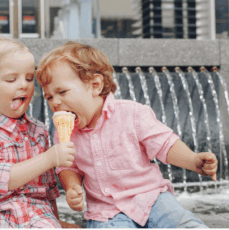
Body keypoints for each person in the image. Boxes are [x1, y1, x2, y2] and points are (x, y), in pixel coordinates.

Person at [36, 41, 218, 228]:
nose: (55, 102)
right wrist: (71, 187)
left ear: (95, 85)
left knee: (183, 223)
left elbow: (164, 144)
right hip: (106, 212)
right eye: (49, 97)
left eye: (62, 92)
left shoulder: (132, 114)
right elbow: (68, 168)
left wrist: (192, 160)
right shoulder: (64, 134)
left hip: (152, 199)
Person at [0, 37, 78, 228]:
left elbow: (47, 189)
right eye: (11, 79)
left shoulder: (39, 131)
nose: (23, 85)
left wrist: (56, 221)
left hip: (34, 213)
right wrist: (49, 158)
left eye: (29, 78)